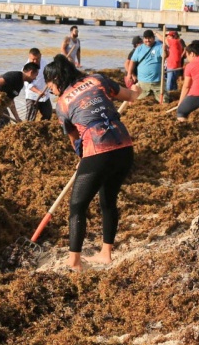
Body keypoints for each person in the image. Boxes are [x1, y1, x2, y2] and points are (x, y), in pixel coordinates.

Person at [43, 53, 139, 272]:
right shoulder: (97, 79)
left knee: (77, 207)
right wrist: (137, 91)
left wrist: (83, 159)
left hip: (98, 151)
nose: (52, 92)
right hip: (124, 147)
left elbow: (75, 139)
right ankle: (106, 254)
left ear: (57, 80)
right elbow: (130, 97)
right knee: (108, 201)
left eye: (50, 87)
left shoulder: (63, 104)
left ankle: (74, 263)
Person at [0, 62, 40, 132]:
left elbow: (10, 101)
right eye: (35, 75)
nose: (35, 78)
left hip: (2, 106)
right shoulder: (15, 76)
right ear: (31, 72)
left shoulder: (20, 84)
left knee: (6, 122)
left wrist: (17, 118)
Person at [130, 29, 168, 103]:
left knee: (164, 101)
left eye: (150, 38)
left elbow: (164, 56)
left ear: (153, 38)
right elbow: (132, 61)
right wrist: (130, 74)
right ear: (143, 39)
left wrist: (165, 50)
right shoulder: (139, 49)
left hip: (157, 82)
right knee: (138, 101)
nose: (147, 40)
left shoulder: (159, 46)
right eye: (145, 38)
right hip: (143, 82)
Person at [24, 48, 52, 121]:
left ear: (40, 56)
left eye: (37, 59)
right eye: (33, 59)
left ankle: (42, 129)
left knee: (48, 114)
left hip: (45, 94)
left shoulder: (45, 63)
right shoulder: (26, 68)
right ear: (29, 57)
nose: (35, 61)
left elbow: (50, 75)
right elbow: (28, 85)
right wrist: (38, 92)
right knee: (30, 119)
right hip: (32, 96)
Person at [164, 30, 185, 96]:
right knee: (171, 80)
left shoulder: (177, 41)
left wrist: (156, 33)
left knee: (170, 81)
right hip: (170, 63)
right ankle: (174, 93)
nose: (167, 37)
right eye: (167, 36)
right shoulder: (171, 43)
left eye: (168, 36)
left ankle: (169, 95)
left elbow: (185, 48)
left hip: (174, 64)